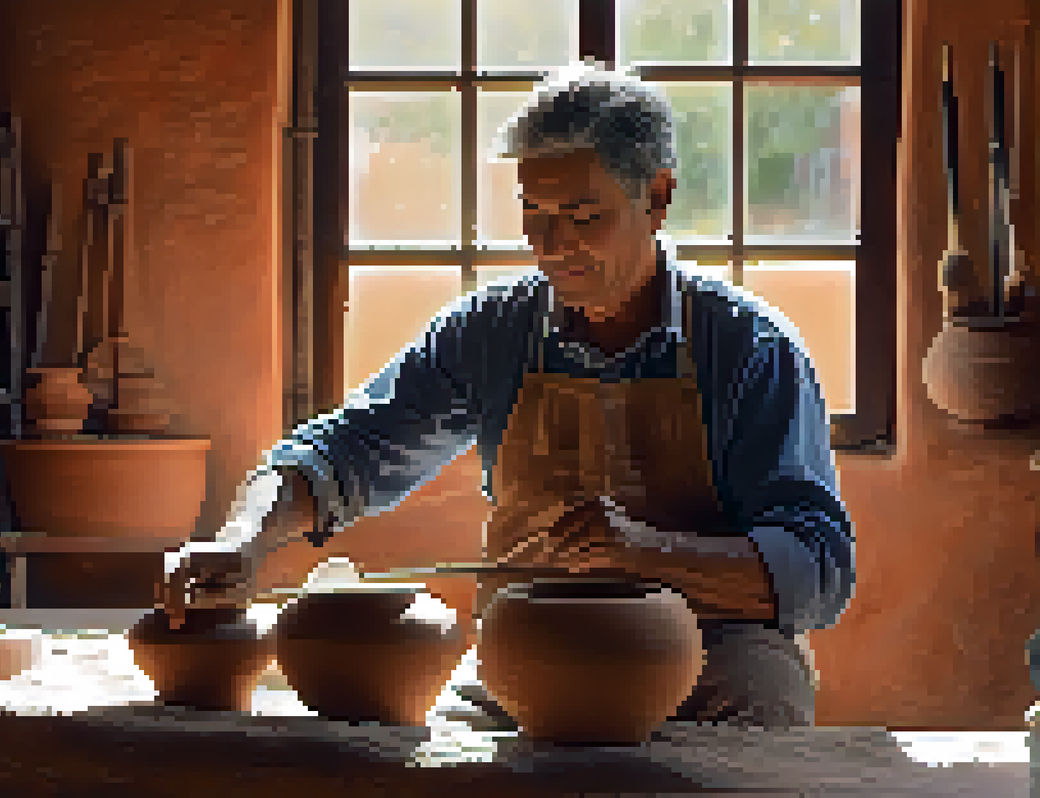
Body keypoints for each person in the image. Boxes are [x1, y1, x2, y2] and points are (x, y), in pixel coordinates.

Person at [158, 67, 855, 729]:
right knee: (445, 755)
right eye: (535, 214)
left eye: (584, 216)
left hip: (716, 656)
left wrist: (648, 555)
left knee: (759, 729)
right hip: (530, 648)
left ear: (658, 197)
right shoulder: (492, 332)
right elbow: (344, 451)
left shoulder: (750, 348)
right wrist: (241, 540)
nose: (553, 246)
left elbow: (818, 569)